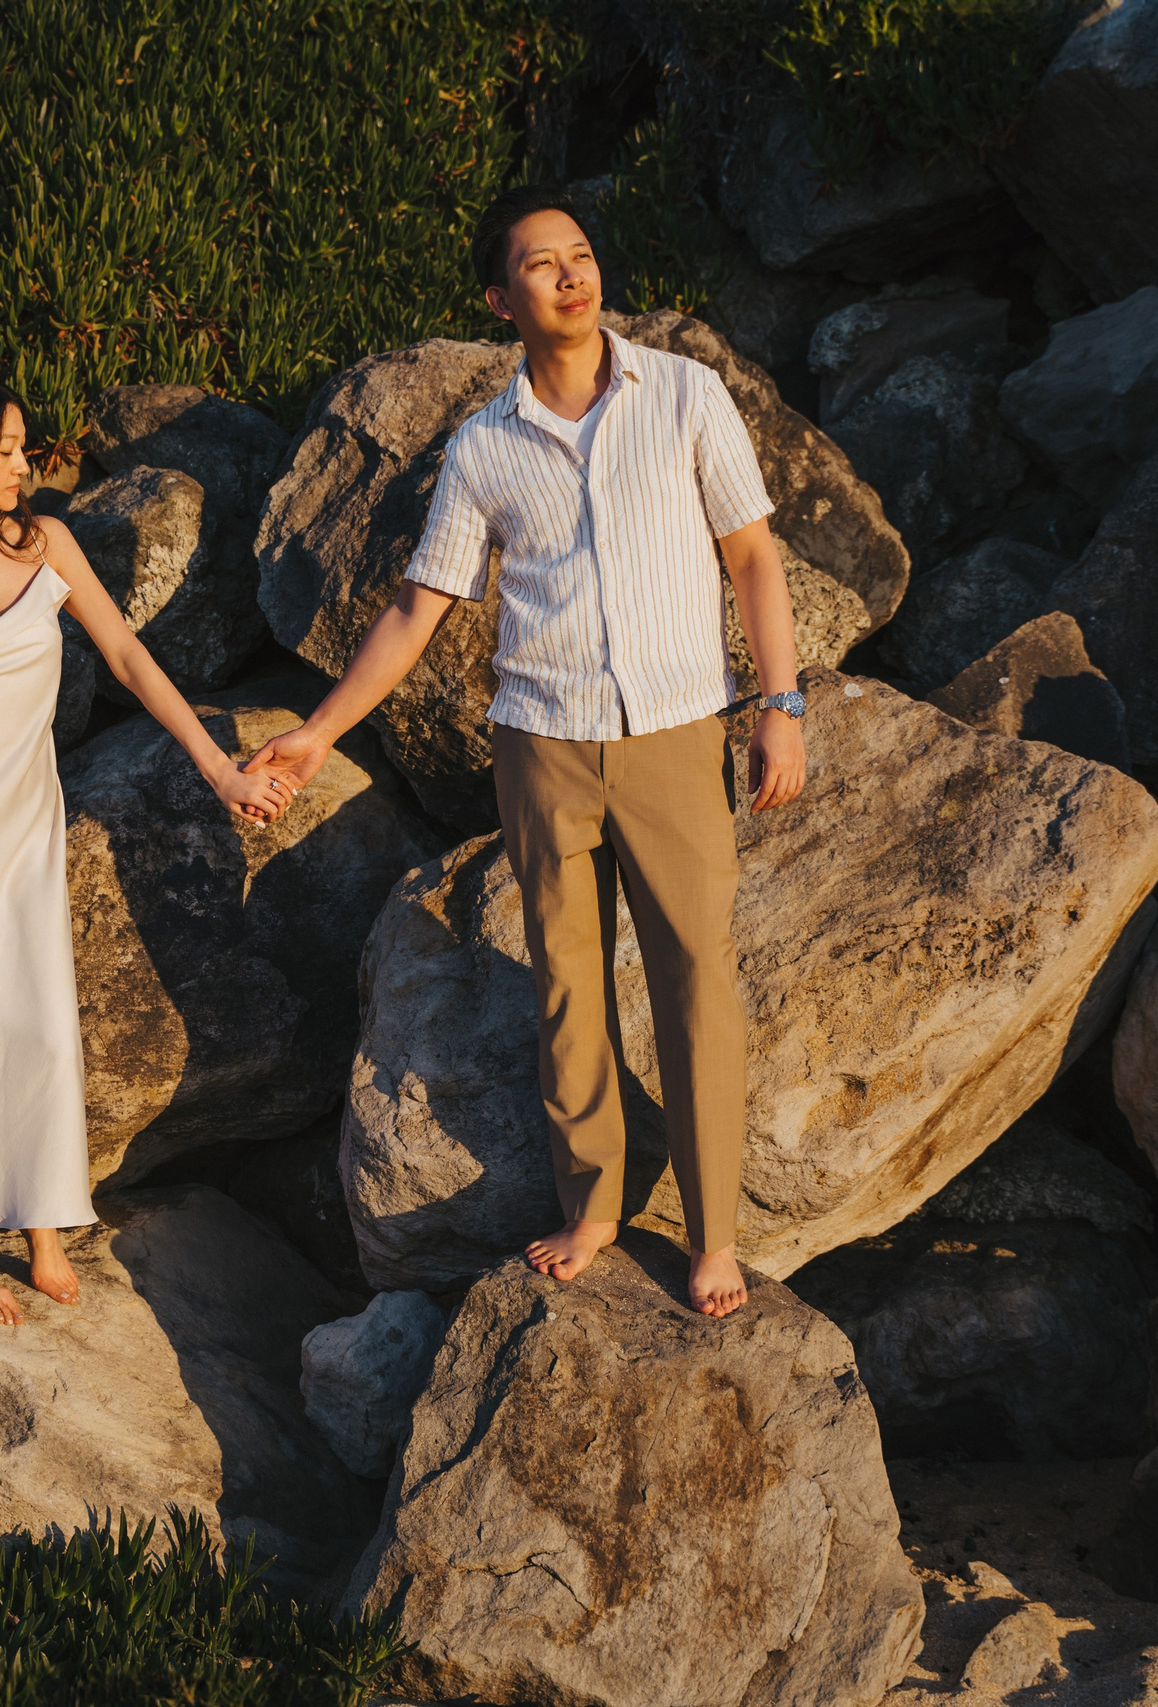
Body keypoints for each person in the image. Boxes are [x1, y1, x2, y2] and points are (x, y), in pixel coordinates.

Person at [246, 185, 808, 1318]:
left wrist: (779, 700)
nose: (570, 273)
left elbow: (751, 554)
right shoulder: (483, 447)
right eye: (541, 263)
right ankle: (593, 1204)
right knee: (568, 988)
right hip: (541, 746)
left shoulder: (686, 395)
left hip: (671, 734)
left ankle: (710, 1235)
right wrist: (316, 732)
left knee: (698, 981)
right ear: (499, 299)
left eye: (582, 254)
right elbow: (419, 609)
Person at [0, 371, 292, 1327]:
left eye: (23, 446)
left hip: (24, 825)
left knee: (39, 1023)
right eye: (2, 450)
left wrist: (219, 768)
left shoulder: (48, 543)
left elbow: (127, 656)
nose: (21, 464)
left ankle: (43, 1222)